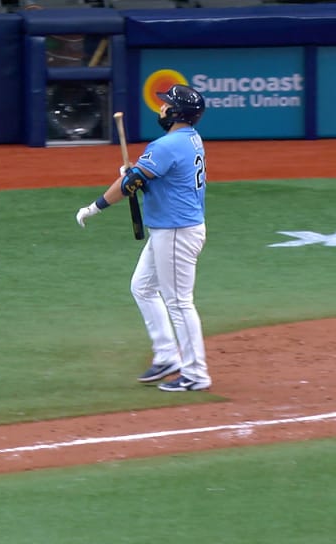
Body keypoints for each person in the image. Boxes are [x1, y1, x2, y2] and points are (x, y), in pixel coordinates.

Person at [76, 84, 211, 392]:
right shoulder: (190, 139)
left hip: (176, 232)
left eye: (166, 105)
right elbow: (154, 179)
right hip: (174, 229)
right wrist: (136, 174)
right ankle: (167, 356)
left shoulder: (165, 146)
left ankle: (195, 374)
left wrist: (94, 207)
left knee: (179, 302)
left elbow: (129, 185)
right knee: (143, 287)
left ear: (177, 112)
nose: (160, 108)